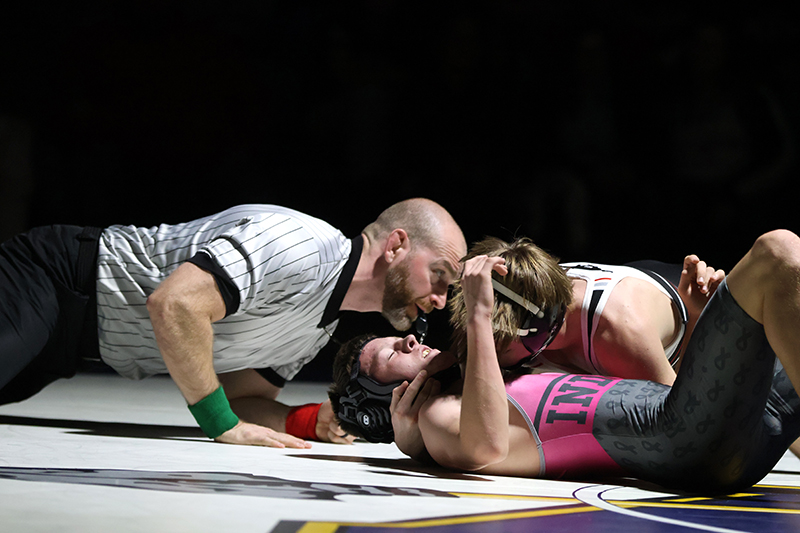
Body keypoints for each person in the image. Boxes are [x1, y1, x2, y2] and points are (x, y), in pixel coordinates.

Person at [329, 230, 800, 493]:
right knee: (776, 252)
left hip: (734, 431)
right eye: (389, 353)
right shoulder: (439, 417)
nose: (409, 340)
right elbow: (484, 448)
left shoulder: (487, 373)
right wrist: (477, 314)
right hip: (693, 439)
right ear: (385, 401)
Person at [0, 198, 467, 448]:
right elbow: (174, 304)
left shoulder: (318, 327)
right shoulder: (301, 244)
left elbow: (241, 399)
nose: (441, 300)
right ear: (396, 246)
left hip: (75, 347)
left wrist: (307, 421)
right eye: (439, 276)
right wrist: (219, 423)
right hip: (54, 279)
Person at [450, 237, 725, 385]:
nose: (488, 351)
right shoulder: (517, 301)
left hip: (678, 309)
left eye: (497, 345)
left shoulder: (619, 332)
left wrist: (697, 322)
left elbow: (685, 419)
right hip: (632, 284)